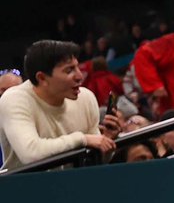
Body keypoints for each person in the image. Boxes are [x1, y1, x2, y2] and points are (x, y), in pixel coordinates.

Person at [0, 40, 118, 172]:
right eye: (69, 70)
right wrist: (83, 139)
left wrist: (106, 143)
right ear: (42, 78)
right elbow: (31, 153)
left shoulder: (86, 98)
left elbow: (93, 162)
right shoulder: (14, 99)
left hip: (76, 186)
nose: (79, 76)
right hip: (25, 189)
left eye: (77, 67)